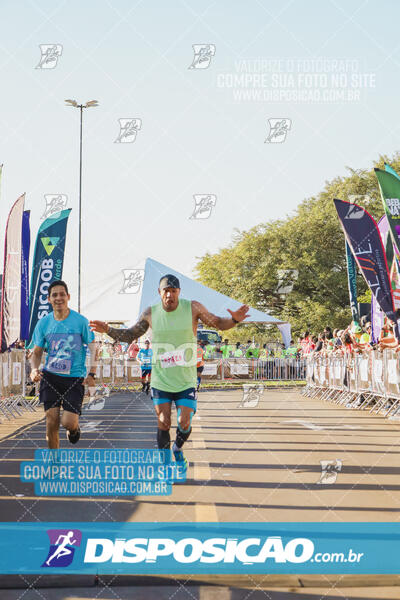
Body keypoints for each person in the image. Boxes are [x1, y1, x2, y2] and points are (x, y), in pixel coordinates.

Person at [90, 274, 249, 471]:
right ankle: (166, 467)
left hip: (186, 380)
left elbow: (218, 323)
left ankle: (177, 448)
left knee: (184, 422)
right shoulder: (150, 313)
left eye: (174, 291)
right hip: (161, 380)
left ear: (179, 292)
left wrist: (234, 320)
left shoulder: (193, 308)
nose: (170, 295)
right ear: (160, 292)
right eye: (166, 291)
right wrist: (108, 329)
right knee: (164, 422)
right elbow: (130, 334)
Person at [30, 280, 96, 449]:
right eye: (54, 295)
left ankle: (74, 430)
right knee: (51, 421)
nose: (58, 298)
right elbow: (37, 352)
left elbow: (93, 347)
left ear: (68, 297)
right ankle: (54, 462)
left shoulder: (80, 321)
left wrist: (92, 373)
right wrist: (34, 369)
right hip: (50, 376)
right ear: (49, 299)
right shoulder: (43, 323)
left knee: (68, 422)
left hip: (74, 378)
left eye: (62, 294)